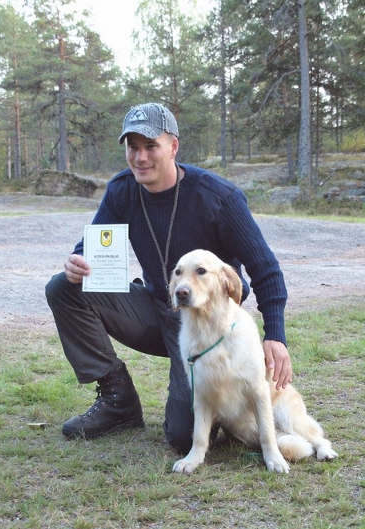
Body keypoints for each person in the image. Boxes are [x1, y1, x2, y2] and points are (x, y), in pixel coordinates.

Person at [45, 102, 292, 454]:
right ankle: (118, 400)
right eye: (133, 147)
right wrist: (78, 260)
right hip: (154, 310)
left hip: (208, 326)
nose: (140, 157)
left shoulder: (218, 197)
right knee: (63, 287)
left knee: (182, 437)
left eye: (151, 146)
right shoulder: (122, 190)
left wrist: (276, 335)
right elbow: (94, 245)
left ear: (173, 147)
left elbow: (266, 269)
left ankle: (223, 406)